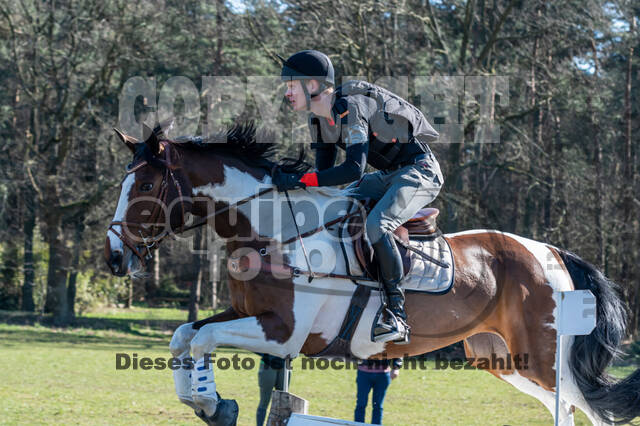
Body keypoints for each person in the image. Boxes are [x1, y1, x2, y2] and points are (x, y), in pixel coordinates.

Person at [276, 50, 444, 344]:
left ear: (312, 85)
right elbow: (323, 179)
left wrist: (301, 179)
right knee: (334, 208)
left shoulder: (350, 107)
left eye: (291, 85)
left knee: (378, 225)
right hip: (386, 175)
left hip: (420, 172)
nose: (287, 92)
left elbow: (353, 168)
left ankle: (396, 314)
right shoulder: (319, 121)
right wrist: (292, 185)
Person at [354, 358, 402, 424]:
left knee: (378, 405)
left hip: (382, 375)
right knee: (361, 404)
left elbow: (397, 349)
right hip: (364, 374)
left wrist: (396, 367)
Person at [256, 353, 290, 426]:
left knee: (283, 402)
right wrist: (266, 355)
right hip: (267, 364)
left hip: (285, 365)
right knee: (264, 402)